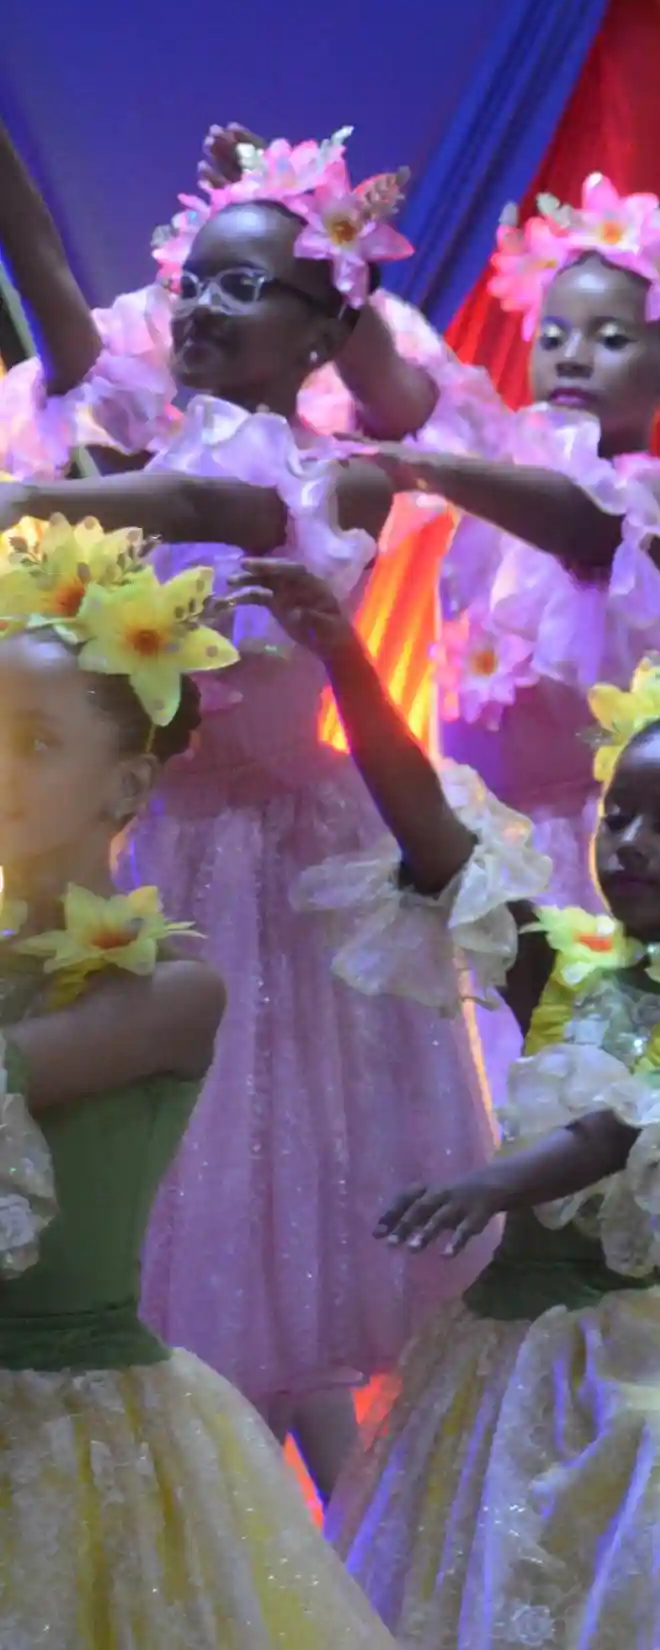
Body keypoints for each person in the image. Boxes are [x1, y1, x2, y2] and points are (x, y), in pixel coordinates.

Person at [243, 555, 660, 1648]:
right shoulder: (562, 959)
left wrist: (492, 1179)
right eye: (621, 816)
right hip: (506, 1336)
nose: (631, 844)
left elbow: (628, 1125)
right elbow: (428, 826)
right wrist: (343, 653)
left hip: (652, 1341)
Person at [0, 120, 496, 1492]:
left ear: (326, 329)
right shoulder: (127, 427)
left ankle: (333, 1532)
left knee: (272, 1200)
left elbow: (205, 497)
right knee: (161, 1199)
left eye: (243, 286)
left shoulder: (324, 473)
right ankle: (240, 1514)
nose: (203, 306)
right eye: (194, 282)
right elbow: (40, 268)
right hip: (141, 849)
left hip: (278, 871)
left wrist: (32, 495)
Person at [279, 158, 660, 1284]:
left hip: (626, 867)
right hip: (489, 852)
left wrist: (437, 465)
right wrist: (312, 242)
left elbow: (586, 525)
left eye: (614, 336)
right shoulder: (493, 452)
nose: (575, 356)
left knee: (621, 1180)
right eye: (557, 334)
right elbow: (386, 379)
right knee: (481, 1157)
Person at [0, 517, 398, 1647]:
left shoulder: (169, 987)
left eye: (33, 743)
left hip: (74, 1425)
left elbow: (18, 1069)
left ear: (126, 781)